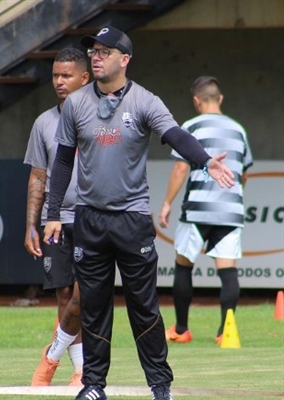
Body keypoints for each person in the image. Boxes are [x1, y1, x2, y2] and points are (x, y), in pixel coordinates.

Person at [43, 26, 235, 400]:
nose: (96, 57)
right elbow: (63, 161)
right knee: (94, 308)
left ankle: (160, 387)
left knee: (143, 309)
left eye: (105, 51)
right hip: (90, 219)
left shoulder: (145, 101)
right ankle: (94, 386)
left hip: (131, 220)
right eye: (93, 51)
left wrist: (206, 161)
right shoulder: (77, 104)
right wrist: (53, 212)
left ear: (124, 59)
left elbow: (176, 135)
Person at [158, 76, 253, 345]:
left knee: (183, 265)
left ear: (196, 101)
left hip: (197, 211)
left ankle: (181, 329)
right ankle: (225, 332)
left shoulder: (190, 127)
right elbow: (244, 174)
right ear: (220, 99)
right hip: (230, 211)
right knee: (228, 271)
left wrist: (166, 203)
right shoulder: (239, 130)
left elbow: (180, 168)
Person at [23, 47, 89, 386]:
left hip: (93, 217)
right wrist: (30, 225)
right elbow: (38, 176)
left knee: (84, 294)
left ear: (84, 77)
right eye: (55, 76)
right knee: (64, 296)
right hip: (56, 219)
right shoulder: (44, 122)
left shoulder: (100, 116)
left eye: (66, 76)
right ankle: (80, 371)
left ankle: (51, 356)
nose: (59, 82)